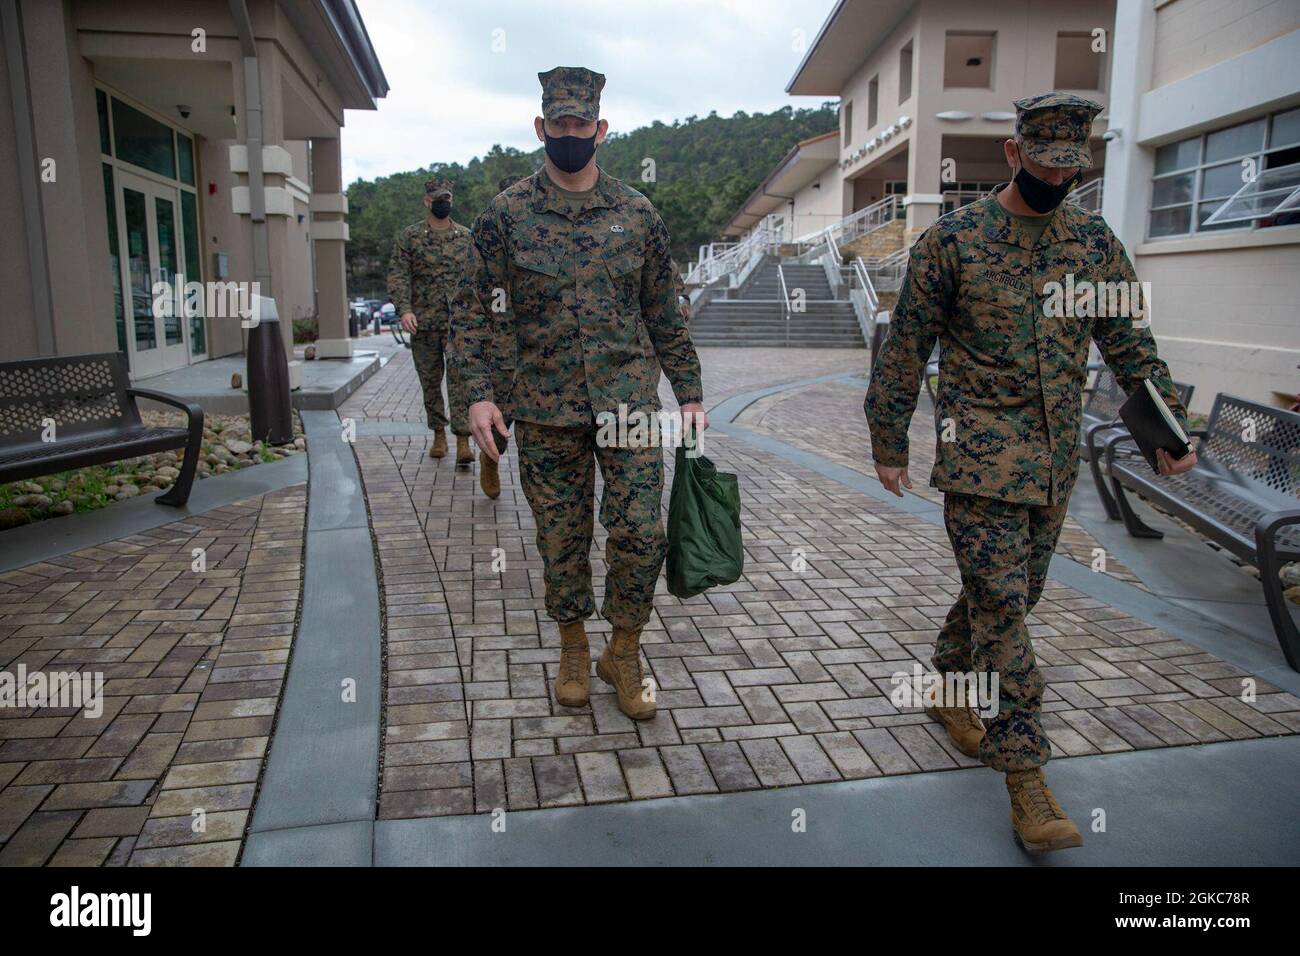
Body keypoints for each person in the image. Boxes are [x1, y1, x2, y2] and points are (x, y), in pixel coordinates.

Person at [864, 92, 1197, 853]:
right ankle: (1027, 778)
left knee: (1013, 596)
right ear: (1014, 153)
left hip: (1052, 462)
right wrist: (889, 441)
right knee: (1005, 611)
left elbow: (1131, 347)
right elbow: (906, 348)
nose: (1057, 176)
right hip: (980, 459)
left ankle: (948, 680)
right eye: (1044, 160)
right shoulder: (953, 241)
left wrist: (1167, 432)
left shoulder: (1093, 244)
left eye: (1071, 165)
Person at [454, 66, 705, 720]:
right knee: (563, 538)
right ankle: (572, 643)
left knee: (641, 532)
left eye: (581, 124)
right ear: (541, 128)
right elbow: (473, 312)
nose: (570, 133)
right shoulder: (504, 217)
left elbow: (664, 312)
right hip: (544, 407)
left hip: (628, 404)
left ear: (601, 129)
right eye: (559, 124)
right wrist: (478, 395)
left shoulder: (637, 214)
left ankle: (623, 648)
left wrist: (690, 393)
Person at [387, 177, 475, 465]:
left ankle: (463, 439)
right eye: (438, 198)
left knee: (461, 381)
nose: (443, 203)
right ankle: (439, 433)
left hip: (458, 323)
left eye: (447, 198)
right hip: (423, 322)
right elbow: (399, 275)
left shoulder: (465, 237)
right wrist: (404, 309)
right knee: (430, 381)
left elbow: (476, 278)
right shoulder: (410, 237)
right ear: (427, 201)